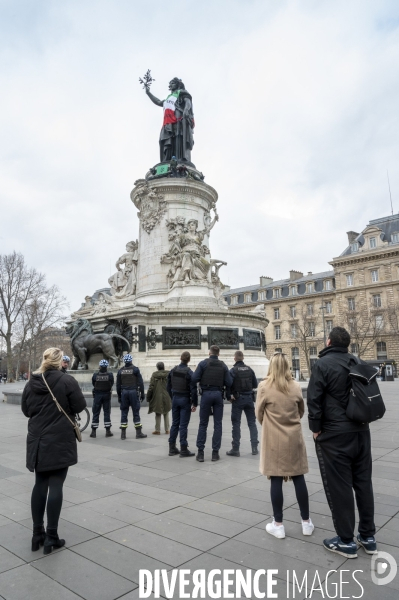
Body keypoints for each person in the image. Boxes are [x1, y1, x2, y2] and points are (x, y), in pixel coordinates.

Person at [307, 326, 377, 558]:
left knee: (340, 486)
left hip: (335, 434)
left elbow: (314, 399)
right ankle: (368, 537)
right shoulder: (356, 361)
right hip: (361, 431)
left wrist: (315, 429)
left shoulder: (322, 365)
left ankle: (345, 540)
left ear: (328, 342)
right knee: (363, 483)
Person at [21, 347, 86, 554]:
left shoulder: (32, 382)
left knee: (40, 483)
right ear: (60, 362)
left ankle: (36, 534)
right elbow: (79, 406)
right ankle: (51, 536)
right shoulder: (67, 381)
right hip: (59, 439)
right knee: (56, 484)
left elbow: (26, 410)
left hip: (38, 439)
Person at [255, 352, 313, 540]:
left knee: (276, 479)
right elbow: (301, 410)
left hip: (273, 439)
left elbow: (259, 413)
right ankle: (306, 522)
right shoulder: (295, 386)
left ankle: (278, 524)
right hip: (293, 437)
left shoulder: (264, 386)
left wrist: (272, 424)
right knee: (298, 477)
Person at [192, 345, 233, 462]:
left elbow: (194, 378)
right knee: (218, 424)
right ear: (218, 354)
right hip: (218, 395)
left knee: (203, 424)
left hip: (206, 395)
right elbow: (229, 381)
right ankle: (215, 453)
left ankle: (200, 453)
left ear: (209, 353)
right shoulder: (223, 365)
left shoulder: (203, 364)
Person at [226, 350, 259, 457]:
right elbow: (255, 384)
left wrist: (229, 397)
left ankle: (235, 449)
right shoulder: (250, 369)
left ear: (235, 358)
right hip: (249, 398)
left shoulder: (233, 371)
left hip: (238, 399)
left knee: (236, 424)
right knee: (252, 423)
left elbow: (228, 385)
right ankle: (254, 447)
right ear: (243, 358)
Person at [167, 351, 198, 457]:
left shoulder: (173, 370)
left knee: (175, 423)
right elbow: (193, 389)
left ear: (180, 358)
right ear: (189, 360)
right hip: (185, 399)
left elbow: (168, 386)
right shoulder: (189, 372)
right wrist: (195, 403)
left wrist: (172, 397)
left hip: (175, 398)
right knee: (183, 425)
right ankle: (183, 449)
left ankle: (172, 448)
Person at [117, 354, 147, 440]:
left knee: (124, 412)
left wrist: (119, 396)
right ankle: (138, 433)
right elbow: (140, 383)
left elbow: (118, 385)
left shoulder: (120, 371)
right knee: (136, 412)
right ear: (131, 361)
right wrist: (142, 393)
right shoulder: (135, 370)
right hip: (134, 392)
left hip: (124, 393)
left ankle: (123, 434)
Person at [90, 359, 114, 438]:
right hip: (107, 395)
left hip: (97, 395)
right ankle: (108, 431)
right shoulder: (110, 375)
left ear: (100, 366)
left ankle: (93, 432)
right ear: (107, 367)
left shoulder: (95, 375)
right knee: (107, 412)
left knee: (96, 412)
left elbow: (93, 383)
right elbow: (111, 383)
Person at [147, 362, 172, 435]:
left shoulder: (154, 375)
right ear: (163, 367)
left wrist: (148, 396)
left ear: (157, 367)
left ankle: (157, 430)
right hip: (167, 395)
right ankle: (167, 429)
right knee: (166, 412)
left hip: (157, 396)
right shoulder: (169, 374)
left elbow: (151, 387)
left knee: (157, 412)